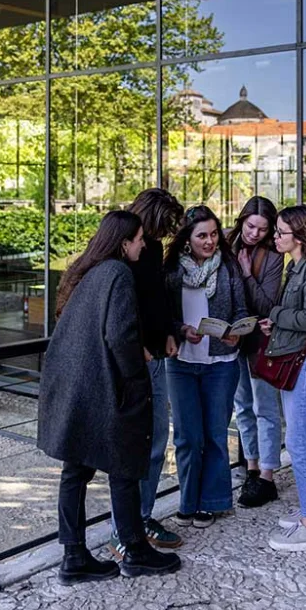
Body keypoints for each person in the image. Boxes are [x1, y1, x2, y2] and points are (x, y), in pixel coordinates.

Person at [37, 211, 181, 581]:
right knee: (125, 467)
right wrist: (137, 375)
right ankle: (134, 550)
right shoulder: (117, 273)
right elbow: (120, 335)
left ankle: (74, 557)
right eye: (138, 239)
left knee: (76, 470)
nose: (144, 244)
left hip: (76, 386)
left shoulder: (86, 272)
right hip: (106, 386)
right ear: (123, 243)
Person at [108, 188, 184, 559]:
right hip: (133, 359)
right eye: (165, 223)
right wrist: (136, 346)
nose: (168, 231)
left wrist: (168, 331)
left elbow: (157, 298)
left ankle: (142, 515)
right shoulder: (122, 252)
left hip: (155, 353)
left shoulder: (150, 250)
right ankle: (124, 528)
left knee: (157, 440)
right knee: (135, 443)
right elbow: (120, 310)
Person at [259, 205, 306, 554]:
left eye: (280, 232)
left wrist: (276, 314)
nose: (275, 237)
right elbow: (302, 317)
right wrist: (277, 324)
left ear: (300, 234)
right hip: (304, 360)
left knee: (300, 441)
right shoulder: (299, 267)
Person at [165, 205, 248, 527]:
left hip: (221, 364)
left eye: (214, 234)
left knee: (215, 435)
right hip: (182, 363)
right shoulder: (171, 271)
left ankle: (210, 502)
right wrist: (181, 330)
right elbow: (162, 316)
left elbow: (241, 308)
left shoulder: (227, 267)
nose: (210, 241)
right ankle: (187, 501)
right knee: (187, 437)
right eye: (202, 235)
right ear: (187, 239)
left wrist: (236, 332)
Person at [227, 197, 284, 508]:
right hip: (232, 337)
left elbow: (266, 304)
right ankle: (250, 466)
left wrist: (247, 274)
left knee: (266, 408)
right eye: (250, 226)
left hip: (261, 340)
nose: (255, 233)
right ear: (242, 220)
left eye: (263, 229)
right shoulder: (224, 239)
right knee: (242, 406)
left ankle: (267, 476)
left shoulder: (273, 255)